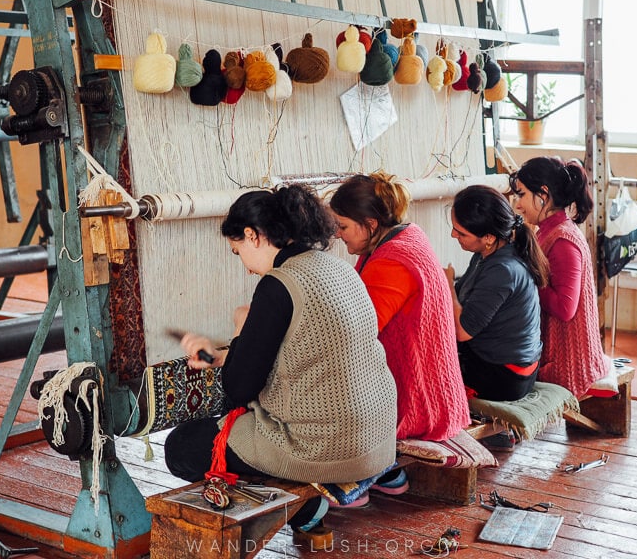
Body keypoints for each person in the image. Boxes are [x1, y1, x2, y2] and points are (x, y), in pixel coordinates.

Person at [164, 184, 398, 536]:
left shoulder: (278, 284)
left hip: (323, 448)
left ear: (252, 235)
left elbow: (239, 389)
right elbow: (299, 355)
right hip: (378, 439)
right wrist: (223, 354)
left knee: (182, 446)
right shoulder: (340, 269)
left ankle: (301, 507)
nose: (243, 266)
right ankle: (303, 504)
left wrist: (241, 332)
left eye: (236, 250)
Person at [328, 172, 470, 498]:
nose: (337, 234)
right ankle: (388, 476)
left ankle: (364, 476)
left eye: (343, 226)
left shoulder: (391, 261)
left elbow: (359, 334)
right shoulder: (407, 237)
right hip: (435, 390)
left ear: (371, 224)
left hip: (416, 401)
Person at [510, 156, 610, 397]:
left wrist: (525, 277)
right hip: (557, 354)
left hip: (568, 365)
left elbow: (566, 308)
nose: (518, 205)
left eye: (522, 195)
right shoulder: (547, 231)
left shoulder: (563, 240)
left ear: (543, 194)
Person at [445, 184, 549, 402]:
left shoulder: (503, 270)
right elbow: (465, 295)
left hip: (505, 378)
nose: (453, 234)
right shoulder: (489, 253)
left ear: (489, 237)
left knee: (422, 358)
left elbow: (462, 331)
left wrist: (446, 286)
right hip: (506, 365)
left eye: (461, 232)